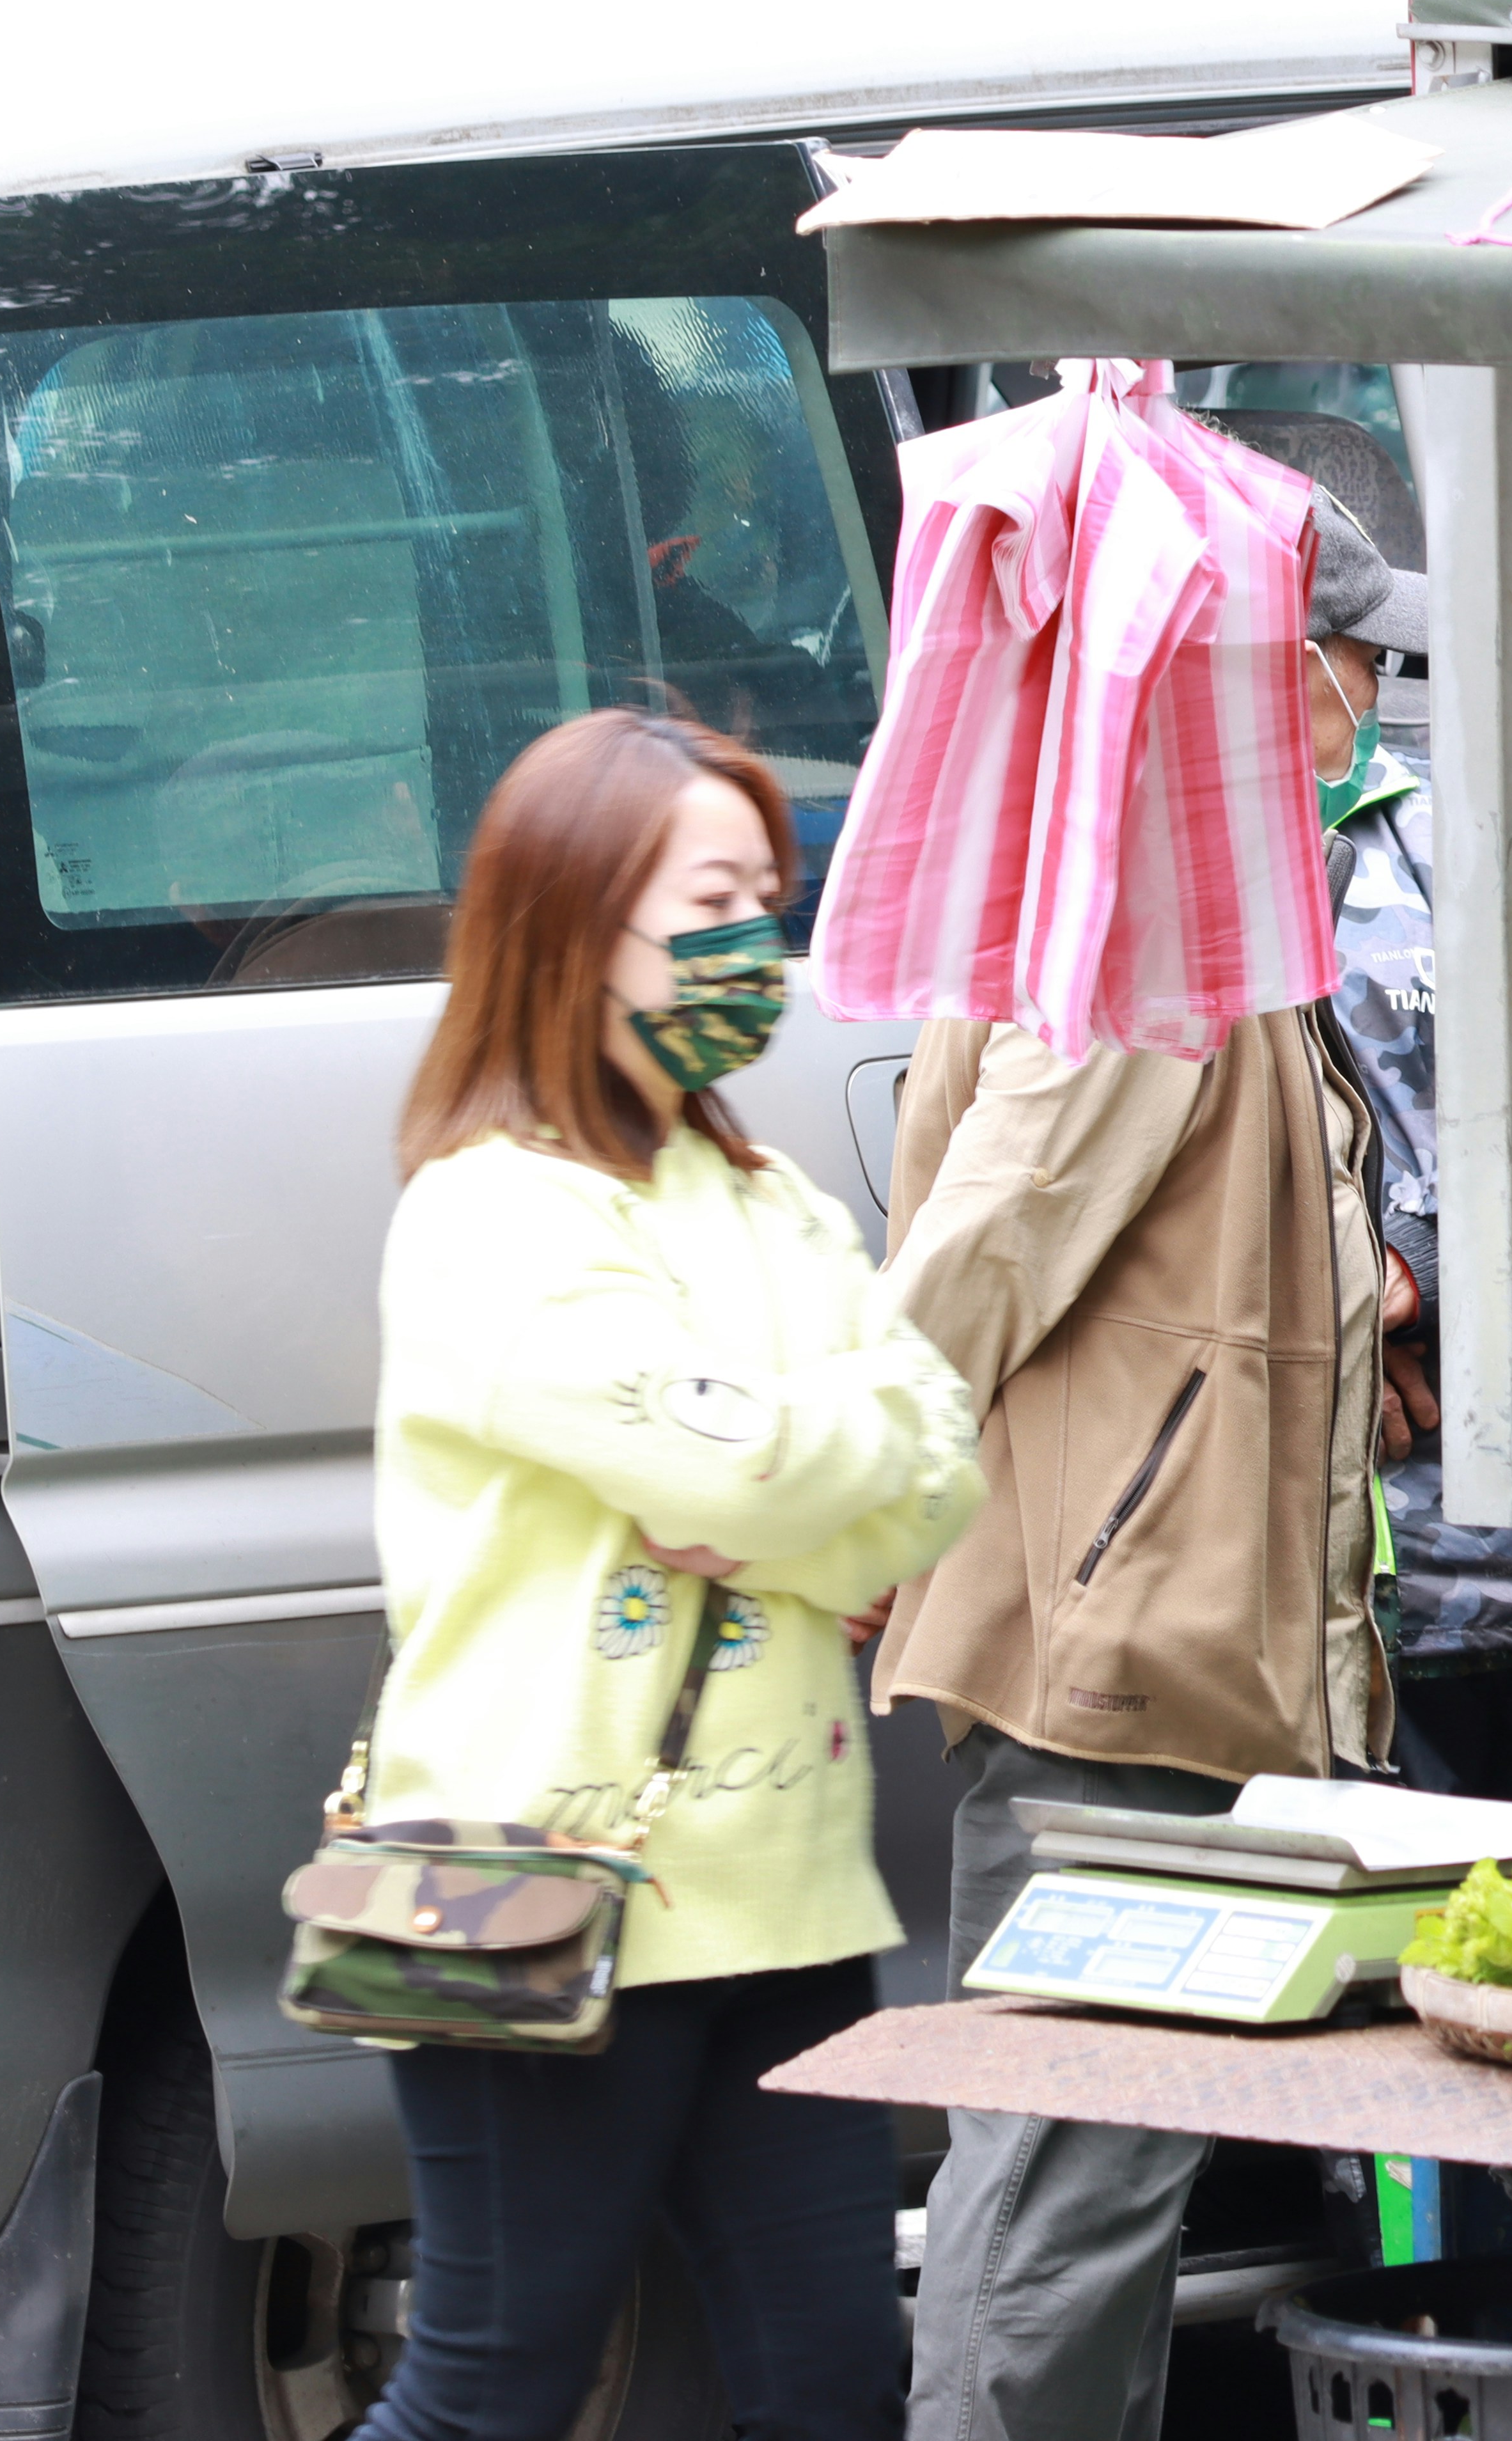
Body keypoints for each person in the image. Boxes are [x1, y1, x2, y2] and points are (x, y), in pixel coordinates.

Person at [871, 485, 1512, 2441]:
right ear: (1273, 675)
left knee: (1102, 2174)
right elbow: (986, 1237)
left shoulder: (1171, 883)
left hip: (1169, 1643)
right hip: (1126, 1655)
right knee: (1067, 2175)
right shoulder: (1151, 922)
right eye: (1360, 658)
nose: (1374, 695)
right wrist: (860, 1504)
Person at [353, 707, 984, 2441]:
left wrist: (788, 1479)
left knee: (836, 2387)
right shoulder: (497, 1213)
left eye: (769, 897)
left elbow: (936, 1452)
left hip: (785, 1897)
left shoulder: (755, 1186)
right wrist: (792, 1471)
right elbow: (747, 1463)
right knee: (495, 2390)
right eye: (711, 899)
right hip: (535, 1887)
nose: (758, 942)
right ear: (571, 920)